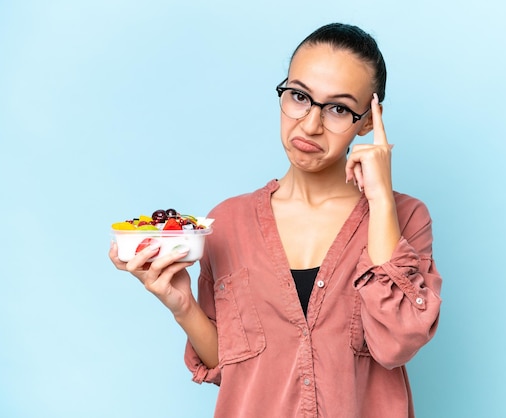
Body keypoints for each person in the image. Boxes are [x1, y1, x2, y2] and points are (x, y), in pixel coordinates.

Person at [110, 22, 442, 418]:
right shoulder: (228, 223)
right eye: (299, 96)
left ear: (369, 120)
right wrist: (181, 306)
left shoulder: (405, 217)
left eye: (338, 108)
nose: (310, 124)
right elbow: (234, 365)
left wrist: (381, 200)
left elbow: (397, 341)